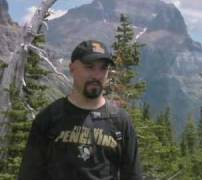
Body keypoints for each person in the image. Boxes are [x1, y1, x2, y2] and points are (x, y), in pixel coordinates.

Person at [18, 40, 143, 180]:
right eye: (89, 67)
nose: (97, 75)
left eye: (103, 68)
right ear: (72, 68)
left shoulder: (120, 121)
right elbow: (29, 174)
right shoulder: (49, 118)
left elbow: (133, 175)